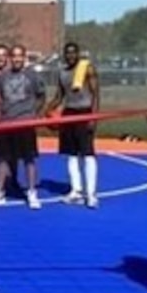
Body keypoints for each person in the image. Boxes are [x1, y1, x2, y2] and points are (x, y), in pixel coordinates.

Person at [0, 45, 47, 208]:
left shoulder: (33, 76)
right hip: (6, 123)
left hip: (26, 122)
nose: (17, 59)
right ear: (10, 58)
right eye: (14, 56)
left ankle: (32, 192)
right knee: (3, 158)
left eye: (20, 56)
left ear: (24, 57)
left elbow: (42, 96)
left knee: (29, 159)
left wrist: (35, 113)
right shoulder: (2, 77)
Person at [51, 41, 101, 207]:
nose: (70, 55)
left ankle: (91, 194)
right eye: (68, 53)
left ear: (78, 53)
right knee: (71, 154)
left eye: (73, 52)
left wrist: (93, 118)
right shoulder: (63, 73)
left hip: (84, 112)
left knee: (87, 154)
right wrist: (46, 111)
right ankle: (76, 191)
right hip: (68, 114)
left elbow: (95, 94)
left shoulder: (87, 68)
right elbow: (59, 96)